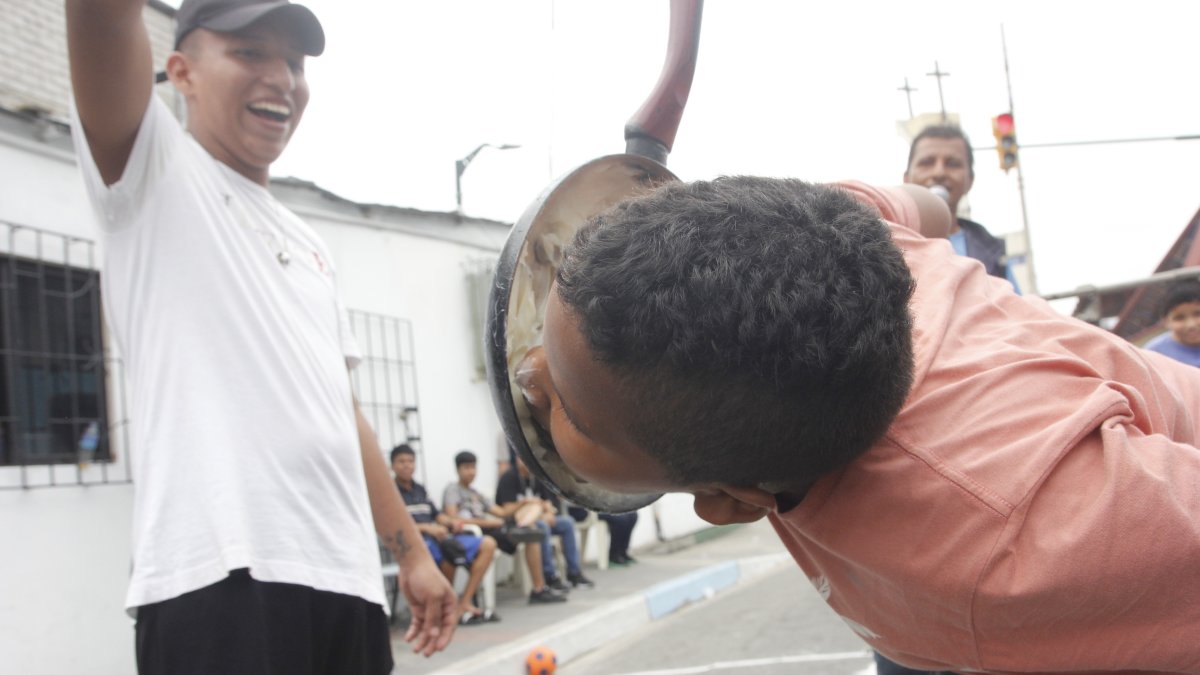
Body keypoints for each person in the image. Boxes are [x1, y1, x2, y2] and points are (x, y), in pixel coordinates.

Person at [515, 176, 1200, 673]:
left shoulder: (1034, 534)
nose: (528, 374)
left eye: (575, 412)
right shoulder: (830, 229)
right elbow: (926, 205)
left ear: (731, 501)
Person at [65, 1, 457, 671]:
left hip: (346, 583)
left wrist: (413, 553)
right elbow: (101, 18)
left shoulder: (311, 246)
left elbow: (344, 412)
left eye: (295, 63)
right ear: (181, 72)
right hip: (221, 580)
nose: (281, 77)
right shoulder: (151, 170)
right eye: (250, 53)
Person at [391, 445, 499, 625]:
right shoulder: (391, 492)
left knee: (487, 544)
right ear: (392, 466)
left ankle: (463, 603)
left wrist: (450, 522)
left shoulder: (419, 489)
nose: (407, 465)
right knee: (448, 554)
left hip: (438, 537)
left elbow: (436, 514)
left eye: (410, 461)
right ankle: (444, 608)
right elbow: (394, 526)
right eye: (401, 462)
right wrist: (427, 528)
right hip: (415, 542)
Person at [903, 124, 1020, 291]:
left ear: (970, 180)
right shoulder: (886, 244)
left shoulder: (993, 254)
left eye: (953, 164)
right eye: (927, 162)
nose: (939, 172)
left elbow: (1016, 311)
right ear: (907, 178)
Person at [442, 451, 567, 604]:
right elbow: (453, 518)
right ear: (458, 469)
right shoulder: (453, 490)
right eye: (467, 468)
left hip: (495, 529)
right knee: (530, 530)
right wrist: (489, 523)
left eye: (473, 467)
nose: (471, 472)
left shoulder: (476, 494)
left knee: (531, 532)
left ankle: (539, 589)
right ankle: (522, 527)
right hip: (475, 533)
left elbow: (501, 512)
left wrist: (525, 502)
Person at [496, 456, 595, 590]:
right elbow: (506, 510)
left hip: (541, 518)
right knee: (542, 528)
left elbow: (549, 503)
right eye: (522, 459)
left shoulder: (537, 476)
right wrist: (526, 503)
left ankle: (574, 573)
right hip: (518, 524)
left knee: (567, 523)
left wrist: (547, 514)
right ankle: (549, 576)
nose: (526, 463)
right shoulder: (509, 478)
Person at [1143, 279, 1200, 367]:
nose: (1191, 325)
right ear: (1165, 321)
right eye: (1179, 318)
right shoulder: (1154, 354)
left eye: (1197, 314)